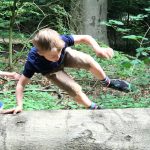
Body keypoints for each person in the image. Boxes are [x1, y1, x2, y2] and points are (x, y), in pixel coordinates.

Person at [1, 28, 131, 114]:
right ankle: (93, 107)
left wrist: (98, 49)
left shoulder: (61, 42)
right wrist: (19, 105)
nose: (57, 56)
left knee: (87, 60)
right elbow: (21, 84)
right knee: (74, 89)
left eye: (58, 50)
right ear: (41, 53)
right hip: (51, 71)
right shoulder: (33, 61)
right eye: (52, 55)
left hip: (67, 55)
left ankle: (107, 82)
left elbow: (86, 38)